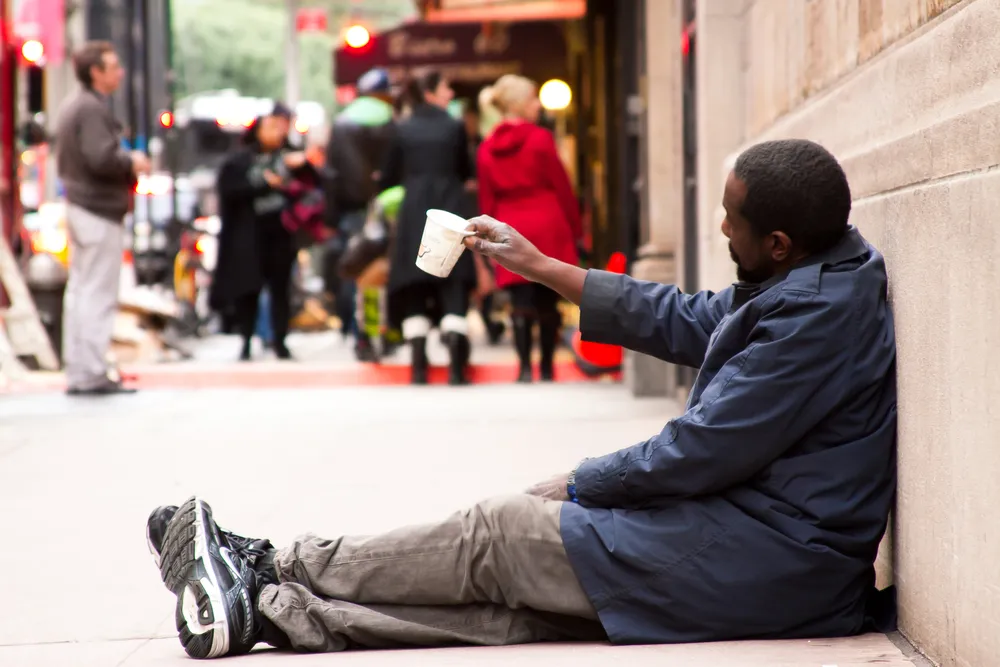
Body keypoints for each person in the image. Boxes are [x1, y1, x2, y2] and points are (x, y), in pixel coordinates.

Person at [146, 139, 897, 658]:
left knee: (502, 534)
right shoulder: (811, 273)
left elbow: (708, 447)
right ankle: (265, 612)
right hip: (764, 546)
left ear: (778, 243)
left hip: (773, 559)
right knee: (515, 610)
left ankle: (275, 563)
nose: (722, 225)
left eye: (732, 218)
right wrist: (541, 266)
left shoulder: (816, 315)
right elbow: (690, 319)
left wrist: (586, 479)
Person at [55, 41, 150, 395]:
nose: (119, 73)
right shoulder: (91, 110)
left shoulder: (78, 106)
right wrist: (131, 162)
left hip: (85, 205)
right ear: (95, 72)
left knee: (82, 289)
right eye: (113, 67)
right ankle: (90, 370)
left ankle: (81, 368)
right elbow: (101, 158)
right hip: (96, 207)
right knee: (96, 290)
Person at [477, 74, 582, 381]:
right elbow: (561, 186)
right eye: (533, 98)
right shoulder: (540, 138)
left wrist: (487, 240)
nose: (538, 104)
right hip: (548, 222)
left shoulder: (486, 149)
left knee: (520, 300)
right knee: (548, 295)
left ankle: (524, 368)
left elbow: (486, 198)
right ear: (519, 103)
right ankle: (548, 368)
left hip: (509, 223)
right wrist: (576, 230)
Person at [380, 70, 476, 385]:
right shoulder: (454, 127)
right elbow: (465, 170)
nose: (450, 93)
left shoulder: (403, 129)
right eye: (447, 86)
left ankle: (418, 368)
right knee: (453, 282)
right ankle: (456, 369)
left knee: (415, 285)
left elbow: (388, 176)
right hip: (450, 207)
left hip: (414, 213)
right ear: (431, 92)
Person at [209, 104, 301, 361]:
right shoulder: (240, 161)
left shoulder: (291, 158)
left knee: (281, 288)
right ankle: (247, 339)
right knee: (249, 288)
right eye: (269, 127)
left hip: (281, 232)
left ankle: (280, 340)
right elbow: (230, 191)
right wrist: (262, 184)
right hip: (249, 236)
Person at [324, 67, 396, 361]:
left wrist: (330, 217)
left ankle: (360, 334)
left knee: (357, 271)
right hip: (389, 208)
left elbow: (331, 175)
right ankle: (386, 331)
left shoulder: (342, 123)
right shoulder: (392, 121)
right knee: (384, 272)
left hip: (353, 212)